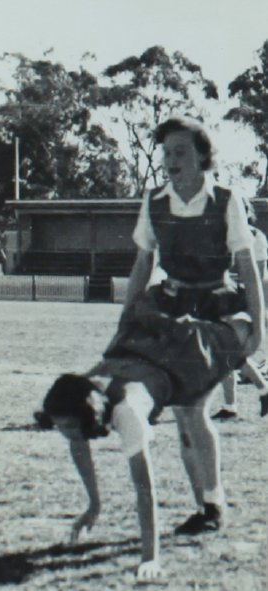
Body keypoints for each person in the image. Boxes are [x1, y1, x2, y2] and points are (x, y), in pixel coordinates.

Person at [35, 116, 264, 582]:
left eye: (181, 151)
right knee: (183, 412)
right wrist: (126, 316)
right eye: (167, 153)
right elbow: (143, 261)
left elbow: (246, 264)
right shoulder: (154, 202)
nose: (171, 161)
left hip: (213, 309)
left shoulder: (226, 200)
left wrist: (258, 325)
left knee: (192, 412)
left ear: (202, 155)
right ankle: (208, 503)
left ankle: (212, 502)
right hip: (168, 305)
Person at [215, 200, 268, 419]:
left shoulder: (255, 237)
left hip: (249, 301)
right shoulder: (220, 235)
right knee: (222, 350)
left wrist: (259, 317)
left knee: (224, 348)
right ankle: (251, 396)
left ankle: (233, 404)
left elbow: (259, 280)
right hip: (226, 298)